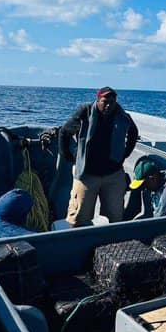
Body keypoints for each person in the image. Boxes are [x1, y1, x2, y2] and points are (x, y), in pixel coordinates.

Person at [58, 86, 139, 227]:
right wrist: (69, 156)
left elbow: (133, 133)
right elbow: (65, 132)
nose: (108, 105)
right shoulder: (85, 112)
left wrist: (124, 154)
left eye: (112, 102)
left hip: (113, 174)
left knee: (116, 216)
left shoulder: (122, 116)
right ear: (98, 100)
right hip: (87, 173)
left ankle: (113, 239)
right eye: (105, 102)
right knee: (78, 217)